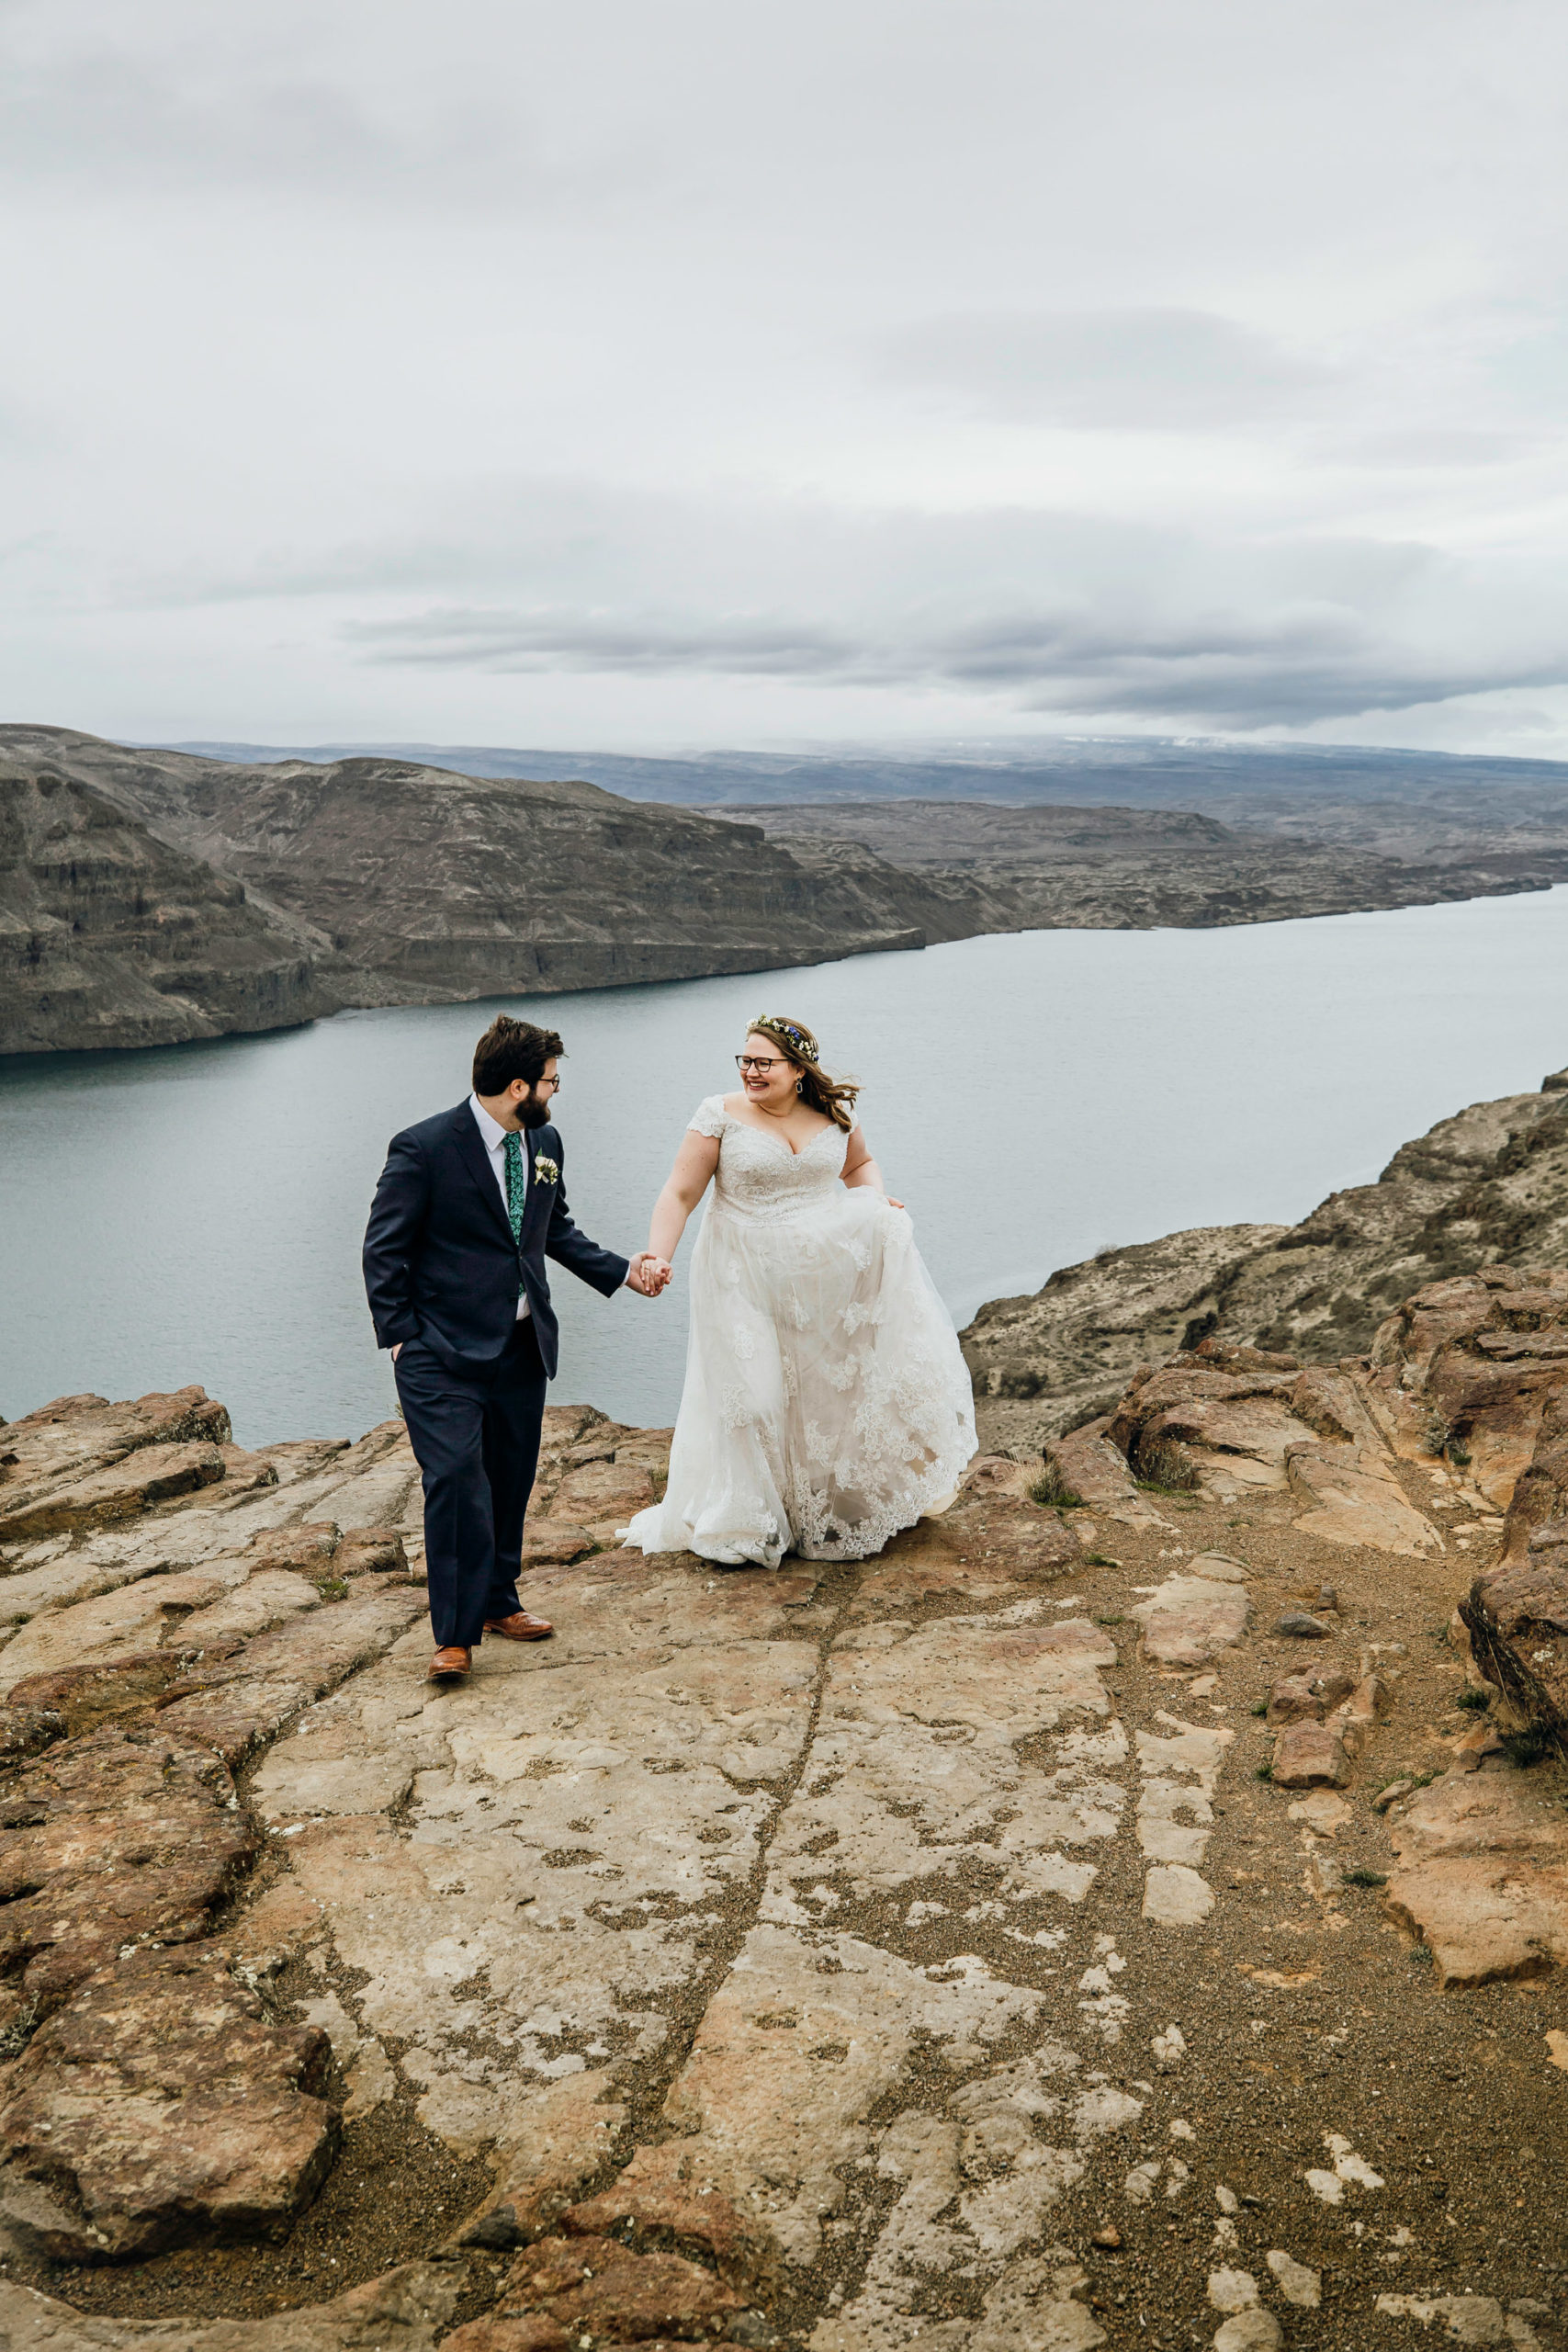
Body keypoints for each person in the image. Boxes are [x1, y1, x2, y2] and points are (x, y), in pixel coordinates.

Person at [363, 1014, 669, 1682]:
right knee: (453, 1483)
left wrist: (624, 1271)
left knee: (508, 1480)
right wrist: (400, 1336)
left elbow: (551, 1227)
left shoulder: (542, 1139)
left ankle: (499, 1600)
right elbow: (383, 1249)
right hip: (439, 1351)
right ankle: (453, 1635)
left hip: (522, 1346)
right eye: (551, 1084)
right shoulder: (422, 1147)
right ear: (518, 1085)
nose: (556, 1095)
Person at [619, 1013, 975, 1567]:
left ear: (798, 1069)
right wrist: (657, 1256)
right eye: (745, 1060)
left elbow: (861, 1166)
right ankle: (746, 1518)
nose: (751, 1072)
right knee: (754, 1394)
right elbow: (680, 1193)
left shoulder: (834, 1114)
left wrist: (875, 1203)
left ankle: (813, 1506)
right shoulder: (718, 1115)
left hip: (818, 1274)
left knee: (822, 1393)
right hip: (739, 1269)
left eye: (764, 1062)